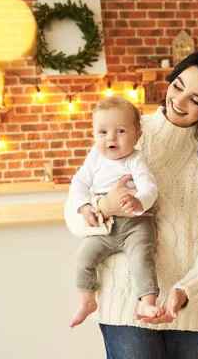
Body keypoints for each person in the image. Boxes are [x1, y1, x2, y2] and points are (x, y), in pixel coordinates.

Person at [65, 49, 198, 359]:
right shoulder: (126, 131)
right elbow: (74, 218)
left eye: (196, 100)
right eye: (177, 86)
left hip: (188, 307)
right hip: (125, 301)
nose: (178, 101)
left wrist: (187, 290)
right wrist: (103, 208)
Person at [68, 96, 161, 328]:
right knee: (83, 257)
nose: (111, 138)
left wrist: (139, 203)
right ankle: (87, 300)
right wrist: (84, 206)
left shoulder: (136, 159)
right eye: (102, 132)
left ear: (137, 137)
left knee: (141, 258)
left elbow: (149, 187)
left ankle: (149, 301)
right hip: (105, 225)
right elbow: (78, 183)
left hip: (135, 225)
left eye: (120, 131)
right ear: (94, 136)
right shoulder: (95, 157)